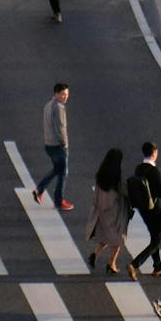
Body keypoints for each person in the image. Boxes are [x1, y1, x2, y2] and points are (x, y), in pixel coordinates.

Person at [82, 149, 133, 277]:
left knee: (104, 236)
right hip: (114, 213)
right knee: (117, 240)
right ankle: (112, 263)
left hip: (102, 212)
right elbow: (124, 193)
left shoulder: (101, 176)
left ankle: (95, 253)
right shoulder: (116, 179)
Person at [127, 141, 161, 274]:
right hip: (156, 209)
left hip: (144, 208)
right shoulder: (155, 171)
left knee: (154, 235)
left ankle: (157, 266)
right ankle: (135, 264)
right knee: (157, 240)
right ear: (154, 153)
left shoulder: (138, 168)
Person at [32, 81, 73, 211]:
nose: (65, 97)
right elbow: (60, 128)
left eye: (67, 94)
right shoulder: (59, 108)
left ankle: (39, 189)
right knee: (63, 173)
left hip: (48, 144)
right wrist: (65, 143)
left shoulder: (48, 105)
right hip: (58, 146)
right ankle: (58, 201)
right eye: (62, 95)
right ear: (56, 94)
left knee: (57, 169)